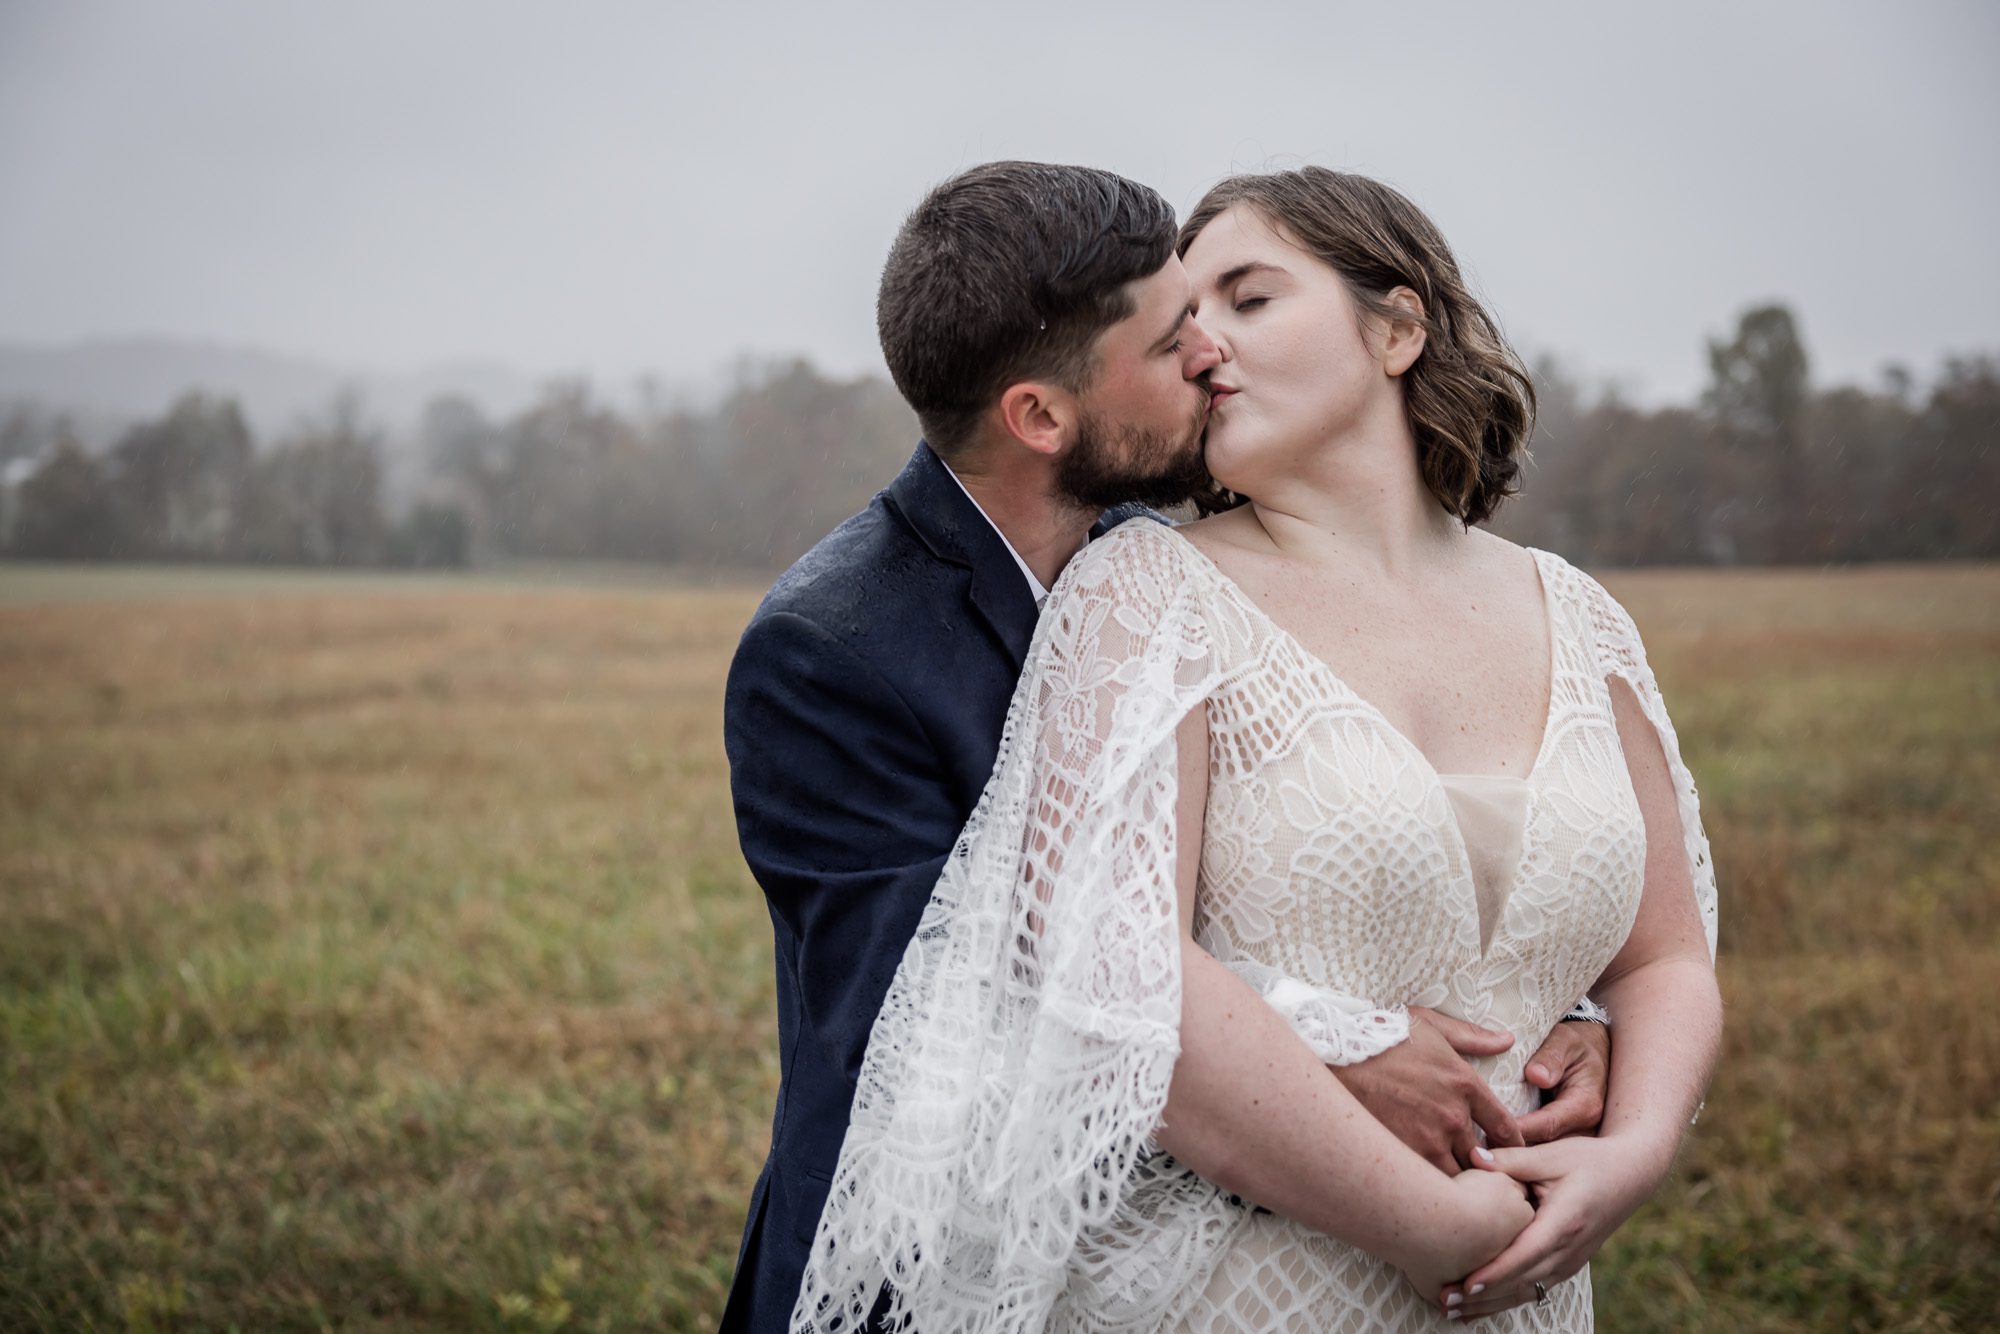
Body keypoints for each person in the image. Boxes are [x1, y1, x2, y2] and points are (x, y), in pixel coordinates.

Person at [788, 167, 1721, 1332]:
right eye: (1185, 315)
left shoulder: (1579, 613)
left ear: (1394, 325)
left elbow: (1662, 959)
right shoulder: (1141, 590)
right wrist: (1447, 1227)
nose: (1203, 345)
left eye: (1247, 298)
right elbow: (1105, 964)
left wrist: (1626, 1153)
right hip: (1247, 1287)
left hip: (1535, 1288)